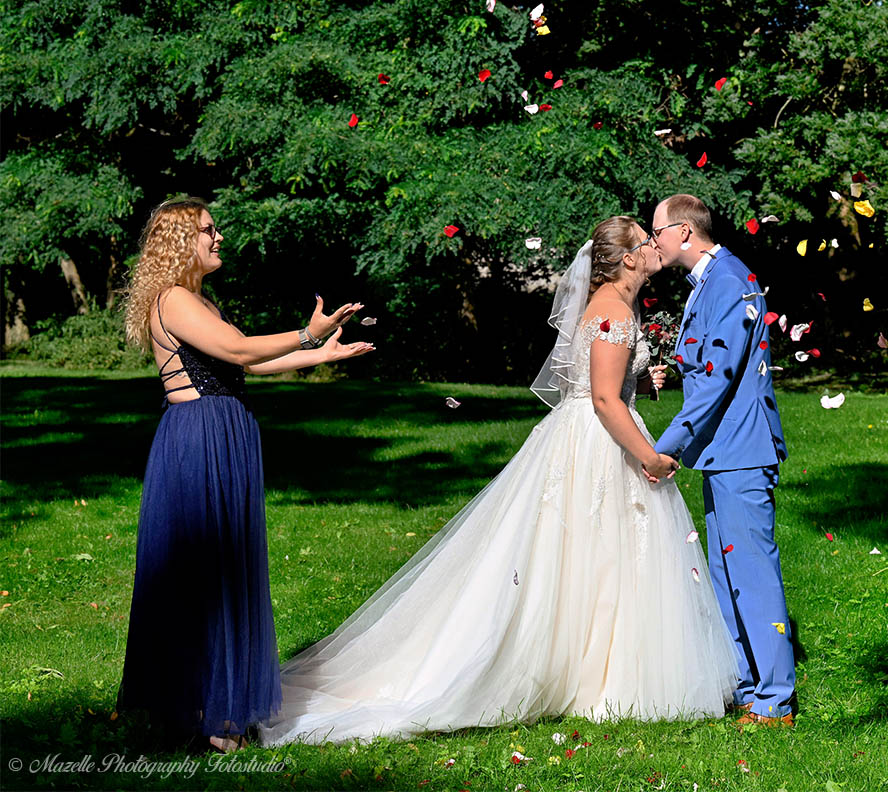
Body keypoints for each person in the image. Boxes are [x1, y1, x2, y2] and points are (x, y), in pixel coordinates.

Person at [256, 216, 739, 746]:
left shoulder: (609, 308)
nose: (655, 249)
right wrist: (650, 455)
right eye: (647, 243)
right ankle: (598, 677)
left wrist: (639, 378)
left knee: (591, 555)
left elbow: (602, 381)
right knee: (603, 550)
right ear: (627, 258)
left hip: (586, 435)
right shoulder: (614, 311)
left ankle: (593, 671)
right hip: (600, 441)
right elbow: (602, 400)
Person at [118, 197, 375, 752]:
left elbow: (245, 361)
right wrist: (304, 335)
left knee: (224, 570)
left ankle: (214, 704)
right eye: (207, 230)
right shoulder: (175, 299)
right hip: (200, 440)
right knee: (204, 573)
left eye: (215, 228)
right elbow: (238, 347)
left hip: (222, 436)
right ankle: (206, 713)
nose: (218, 237)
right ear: (177, 240)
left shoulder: (201, 302)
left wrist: (320, 354)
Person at [648, 194, 794, 727]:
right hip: (723, 450)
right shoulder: (713, 281)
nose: (651, 240)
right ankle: (746, 686)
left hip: (740, 449)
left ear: (684, 232)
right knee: (726, 571)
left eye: (657, 230)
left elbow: (715, 377)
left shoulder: (728, 282)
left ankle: (775, 700)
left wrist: (667, 446)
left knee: (750, 572)